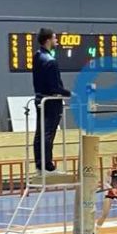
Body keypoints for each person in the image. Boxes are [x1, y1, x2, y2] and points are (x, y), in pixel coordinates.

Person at [31, 28, 71, 172]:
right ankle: (48, 166)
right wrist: (70, 93)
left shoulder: (37, 56)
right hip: (51, 101)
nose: (56, 40)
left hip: (39, 98)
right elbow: (55, 87)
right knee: (48, 133)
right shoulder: (51, 61)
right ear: (48, 40)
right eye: (54, 38)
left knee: (39, 132)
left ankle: (39, 164)